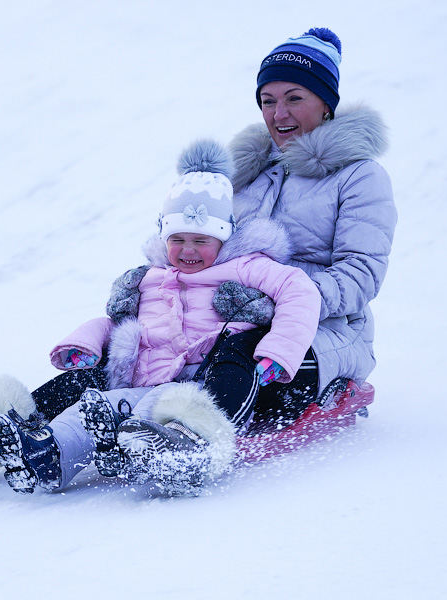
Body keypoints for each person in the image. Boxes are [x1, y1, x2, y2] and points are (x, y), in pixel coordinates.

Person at [0, 139, 321, 495]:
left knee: (176, 395)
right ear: (164, 233)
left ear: (224, 237)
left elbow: (300, 291)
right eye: (178, 239)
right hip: (143, 379)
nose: (188, 250)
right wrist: (86, 342)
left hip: (201, 381)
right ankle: (31, 445)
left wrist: (280, 350)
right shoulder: (150, 275)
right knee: (91, 395)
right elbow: (118, 322)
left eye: (201, 240)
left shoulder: (246, 265)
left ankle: (187, 445)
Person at [108, 27, 396, 446]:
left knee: (235, 353)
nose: (279, 114)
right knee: (139, 342)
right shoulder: (247, 175)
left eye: (295, 98)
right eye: (268, 100)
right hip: (226, 318)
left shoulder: (360, 177)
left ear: (326, 103)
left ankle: (193, 441)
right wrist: (146, 282)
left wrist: (271, 304)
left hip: (321, 333)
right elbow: (198, 242)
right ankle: (51, 430)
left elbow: (361, 274)